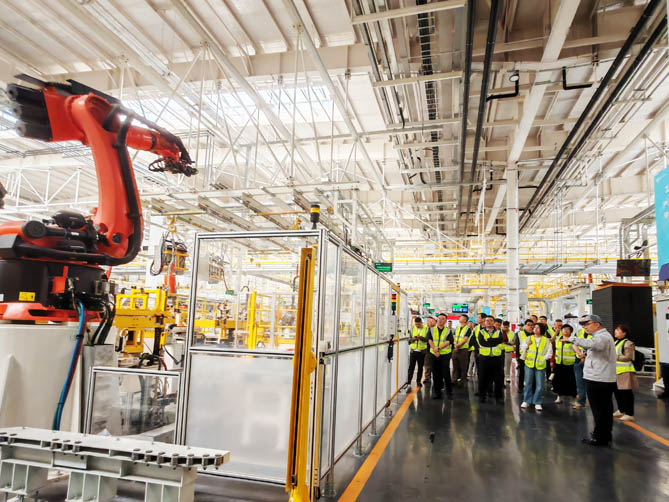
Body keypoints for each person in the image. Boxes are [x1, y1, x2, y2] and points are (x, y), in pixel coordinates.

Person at [562, 314, 617, 447]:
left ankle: (600, 438)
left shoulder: (602, 337)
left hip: (599, 378)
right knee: (603, 409)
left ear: (597, 324)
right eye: (582, 325)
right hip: (600, 377)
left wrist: (572, 339)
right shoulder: (599, 336)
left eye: (587, 324)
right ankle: (603, 434)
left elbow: (594, 344)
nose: (584, 327)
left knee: (600, 410)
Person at [520, 323, 553, 411]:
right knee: (528, 383)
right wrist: (527, 345)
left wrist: (543, 358)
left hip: (540, 365)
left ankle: (537, 402)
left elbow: (549, 352)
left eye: (538, 328)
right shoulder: (528, 338)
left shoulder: (546, 340)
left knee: (540, 385)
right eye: (534, 327)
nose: (535, 329)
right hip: (529, 364)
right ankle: (526, 400)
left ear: (542, 329)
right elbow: (522, 348)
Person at [612, 324, 638, 421]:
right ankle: (621, 409)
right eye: (615, 330)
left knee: (626, 393)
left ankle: (629, 413)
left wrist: (615, 357)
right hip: (616, 371)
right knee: (617, 392)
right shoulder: (615, 342)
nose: (615, 331)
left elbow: (628, 357)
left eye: (618, 330)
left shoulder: (628, 343)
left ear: (624, 333)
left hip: (625, 371)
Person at [476, 316, 504, 403]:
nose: (488, 322)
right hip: (484, 358)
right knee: (483, 378)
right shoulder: (481, 332)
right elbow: (483, 343)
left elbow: (500, 340)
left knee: (498, 378)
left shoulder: (499, 332)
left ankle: (498, 397)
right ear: (484, 322)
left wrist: (489, 340)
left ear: (493, 322)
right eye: (487, 320)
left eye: (491, 320)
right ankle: (482, 396)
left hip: (496, 358)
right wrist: (494, 341)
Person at [427, 313, 454, 399]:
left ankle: (449, 392)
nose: (440, 320)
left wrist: (438, 348)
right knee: (435, 374)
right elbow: (429, 340)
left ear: (445, 321)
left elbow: (448, 341)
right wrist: (434, 350)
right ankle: (437, 392)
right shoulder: (432, 329)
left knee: (446, 374)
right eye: (439, 318)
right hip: (434, 354)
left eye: (443, 319)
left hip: (444, 355)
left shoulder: (448, 331)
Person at [552, 324, 577, 404]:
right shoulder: (558, 339)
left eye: (568, 329)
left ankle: (574, 398)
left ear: (571, 332)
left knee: (571, 381)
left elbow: (577, 350)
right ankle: (559, 397)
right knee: (558, 381)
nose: (565, 330)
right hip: (559, 363)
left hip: (570, 364)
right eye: (564, 329)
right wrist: (553, 361)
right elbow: (554, 349)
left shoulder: (573, 340)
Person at [407, 317, 428, 389]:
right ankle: (408, 382)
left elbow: (427, 340)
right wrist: (413, 339)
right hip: (413, 351)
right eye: (416, 324)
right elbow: (409, 340)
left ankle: (418, 381)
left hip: (422, 352)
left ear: (422, 323)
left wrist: (420, 337)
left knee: (420, 367)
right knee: (411, 367)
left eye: (418, 324)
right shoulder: (412, 329)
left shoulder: (426, 329)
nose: (417, 325)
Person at [515, 319, 535, 394]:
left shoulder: (535, 333)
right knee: (522, 372)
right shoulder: (519, 334)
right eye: (528, 325)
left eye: (531, 325)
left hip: (533, 356)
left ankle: (532, 388)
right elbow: (517, 345)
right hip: (522, 355)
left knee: (532, 372)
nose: (530, 326)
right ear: (525, 326)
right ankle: (520, 387)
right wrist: (517, 356)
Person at [452, 314, 472, 384]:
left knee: (463, 366)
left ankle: (463, 380)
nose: (459, 318)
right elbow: (454, 337)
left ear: (465, 320)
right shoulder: (457, 327)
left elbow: (465, 340)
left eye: (461, 317)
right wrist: (455, 345)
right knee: (455, 365)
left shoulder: (468, 329)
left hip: (463, 349)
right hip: (456, 349)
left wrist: (457, 346)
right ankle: (454, 379)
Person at [422, 315, 436, 383]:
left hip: (435, 350)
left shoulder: (436, 329)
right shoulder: (426, 329)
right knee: (427, 364)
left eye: (430, 321)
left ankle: (436, 378)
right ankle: (427, 378)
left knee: (435, 365)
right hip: (427, 350)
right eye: (427, 321)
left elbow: (427, 339)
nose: (428, 322)